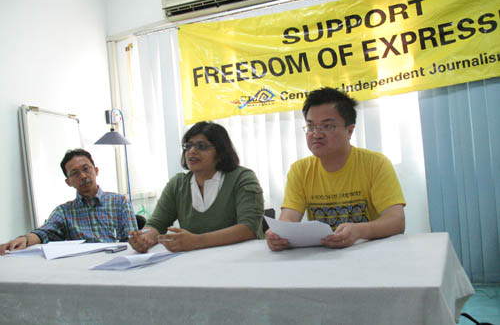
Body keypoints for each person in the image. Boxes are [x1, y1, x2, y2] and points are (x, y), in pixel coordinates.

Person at [266, 87, 406, 251]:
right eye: (311, 127)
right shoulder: (300, 170)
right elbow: (289, 218)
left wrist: (360, 231)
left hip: (369, 254)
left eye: (328, 126)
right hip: (322, 258)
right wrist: (278, 234)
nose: (316, 134)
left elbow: (396, 220)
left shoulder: (376, 164)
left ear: (350, 130)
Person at [129, 121, 264, 253]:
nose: (192, 151)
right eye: (188, 146)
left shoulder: (242, 178)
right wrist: (144, 239)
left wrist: (197, 241)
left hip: (241, 259)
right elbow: (156, 225)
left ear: (221, 153)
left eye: (202, 146)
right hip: (194, 262)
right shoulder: (178, 184)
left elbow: (248, 229)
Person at [0, 149, 137, 255]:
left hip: (116, 263)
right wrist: (24, 239)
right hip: (81, 268)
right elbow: (43, 232)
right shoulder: (64, 211)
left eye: (86, 169)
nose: (83, 176)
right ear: (68, 182)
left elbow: (133, 240)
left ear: (96, 171)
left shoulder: (120, 202)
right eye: (75, 173)